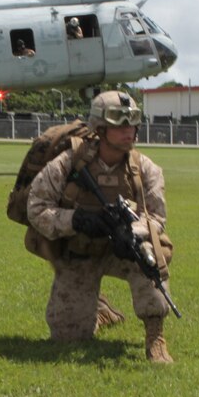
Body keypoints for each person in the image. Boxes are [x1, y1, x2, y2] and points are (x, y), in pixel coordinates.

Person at [26, 91, 176, 363]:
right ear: (99, 129)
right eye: (119, 125)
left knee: (151, 253)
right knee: (67, 337)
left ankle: (155, 336)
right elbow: (36, 208)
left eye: (132, 124)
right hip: (81, 250)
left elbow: (157, 217)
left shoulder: (146, 169)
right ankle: (102, 312)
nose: (128, 131)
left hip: (124, 251)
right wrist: (76, 220)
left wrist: (134, 232)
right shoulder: (69, 162)